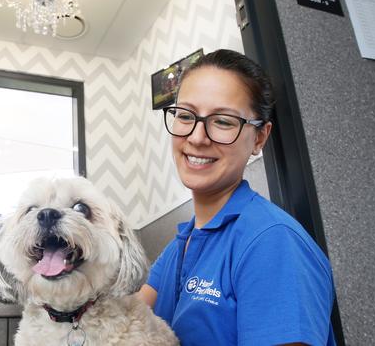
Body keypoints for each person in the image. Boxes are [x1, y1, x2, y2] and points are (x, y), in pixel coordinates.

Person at [137, 49, 336, 345]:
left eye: (223, 122)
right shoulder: (181, 246)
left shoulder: (271, 241)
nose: (196, 137)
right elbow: (126, 321)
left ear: (259, 138)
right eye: (185, 115)